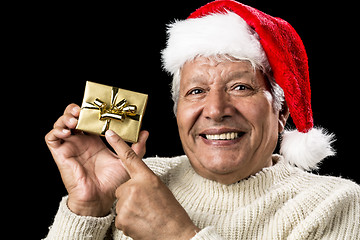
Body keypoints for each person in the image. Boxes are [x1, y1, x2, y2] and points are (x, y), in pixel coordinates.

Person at [44, 0, 360, 239]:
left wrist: (177, 234)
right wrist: (88, 208)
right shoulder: (130, 180)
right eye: (196, 91)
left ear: (281, 112)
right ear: (176, 110)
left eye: (241, 87)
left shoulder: (334, 203)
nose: (215, 109)